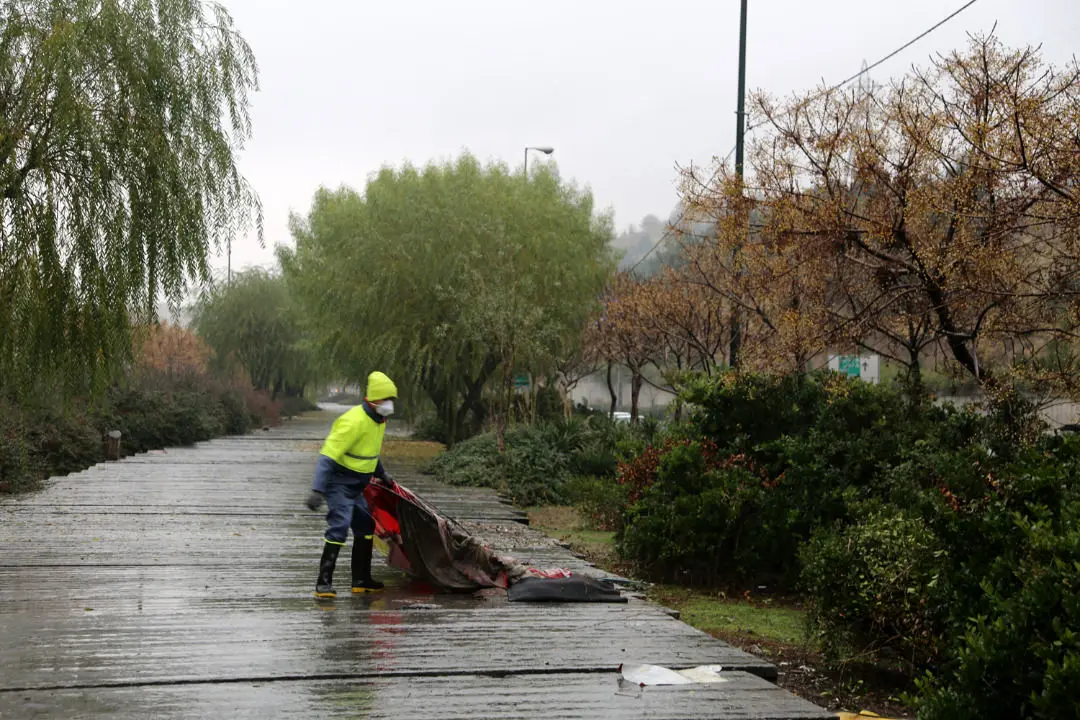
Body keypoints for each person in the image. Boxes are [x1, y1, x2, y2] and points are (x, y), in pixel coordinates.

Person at [306, 371, 398, 598]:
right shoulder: (352, 421)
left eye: (392, 400)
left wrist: (383, 474)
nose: (389, 405)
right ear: (374, 400)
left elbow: (370, 452)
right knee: (340, 525)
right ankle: (323, 583)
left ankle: (361, 580)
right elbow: (327, 456)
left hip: (358, 486)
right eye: (386, 399)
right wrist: (317, 490)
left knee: (365, 525)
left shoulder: (379, 421)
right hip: (338, 483)